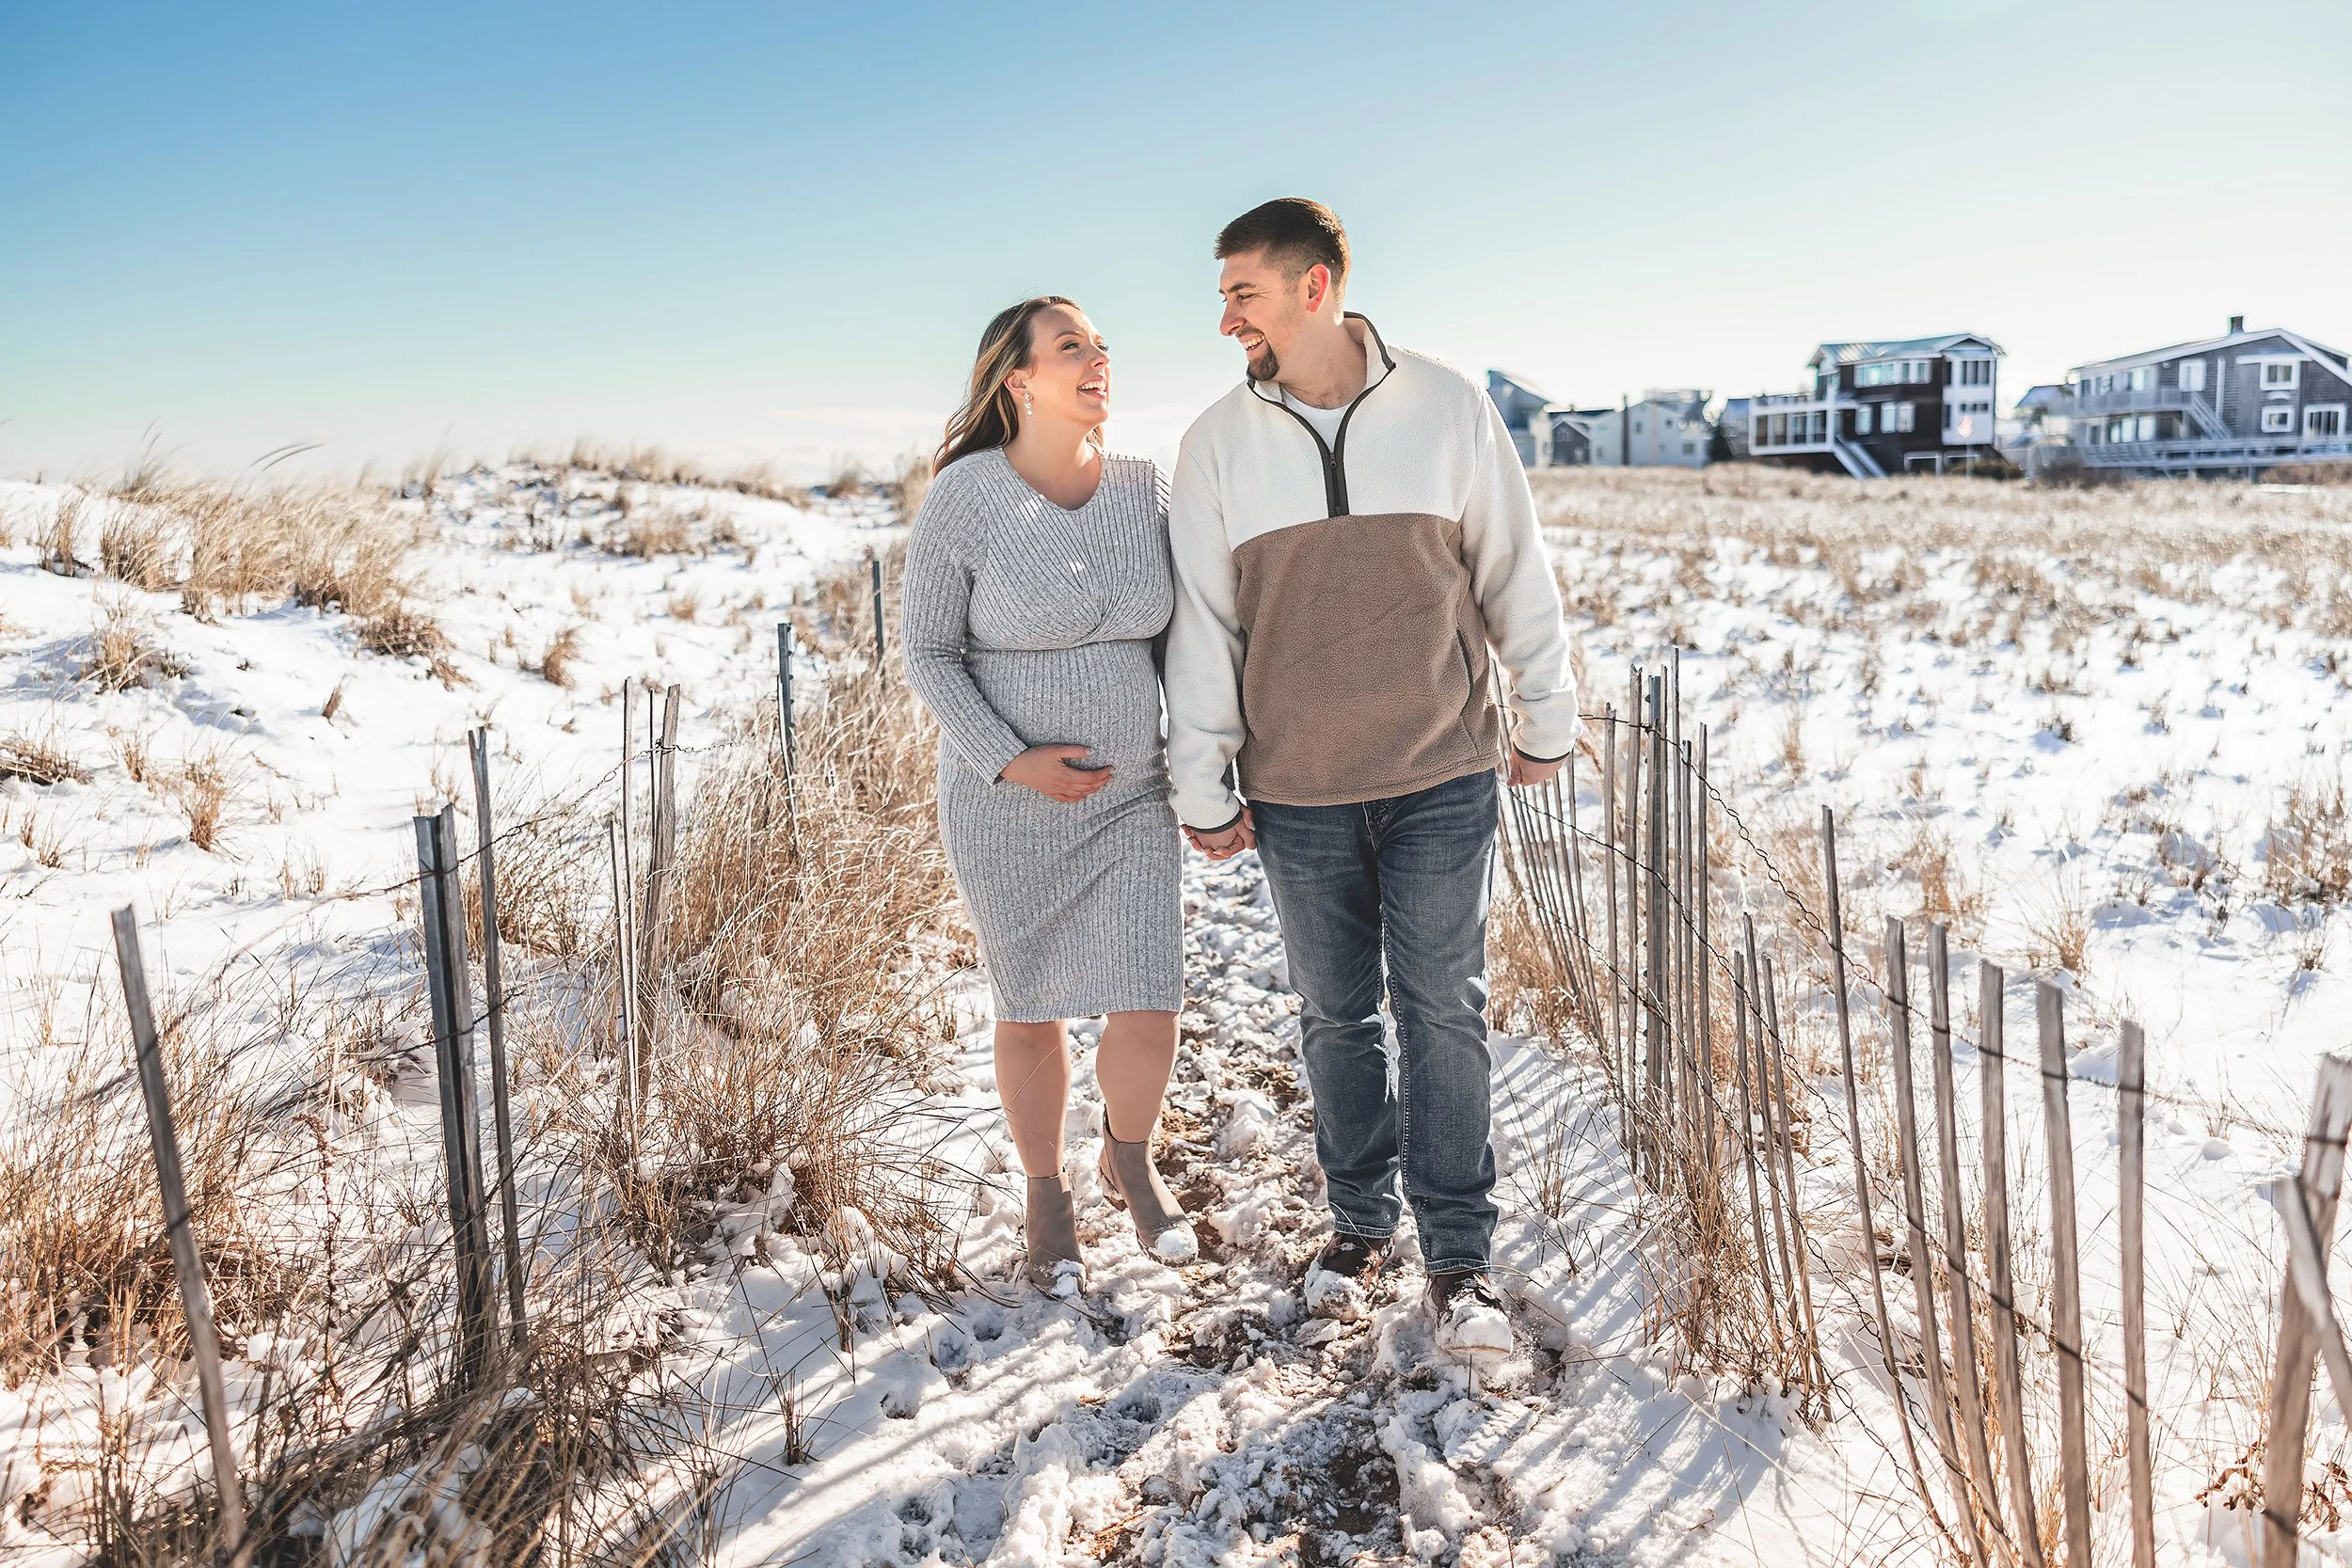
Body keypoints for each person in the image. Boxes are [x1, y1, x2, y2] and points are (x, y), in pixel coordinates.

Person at [1164, 200, 1583, 1356]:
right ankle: (1357, 1224)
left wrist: (1546, 716)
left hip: (1441, 766)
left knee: (1442, 1006)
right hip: (1297, 784)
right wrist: (1202, 776)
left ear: (1315, 286)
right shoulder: (1217, 443)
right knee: (1334, 1014)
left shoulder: (1447, 407)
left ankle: (1458, 1257)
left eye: (1242, 293)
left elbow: (1513, 568)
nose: (1225, 318)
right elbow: (1203, 624)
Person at [899, 296, 1196, 1293]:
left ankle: (1128, 1156)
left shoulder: (1147, 488)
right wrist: (1009, 757)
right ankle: (1045, 1192)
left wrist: (1208, 764)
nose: (1097, 358)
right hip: (1005, 805)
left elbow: (1192, 642)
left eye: (1101, 344)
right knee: (1029, 1005)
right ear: (1018, 379)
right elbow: (929, 652)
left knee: (1148, 995)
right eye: (1072, 346)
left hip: (1134, 796)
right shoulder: (966, 496)